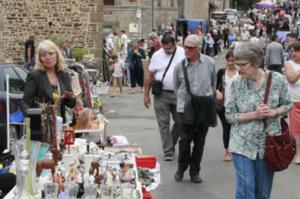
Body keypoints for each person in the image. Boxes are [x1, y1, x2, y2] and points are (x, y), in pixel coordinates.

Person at [225, 42, 292, 199]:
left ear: (255, 62)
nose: (238, 69)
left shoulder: (277, 80)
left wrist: (274, 111)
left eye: (242, 65)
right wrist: (254, 115)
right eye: (236, 64)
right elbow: (229, 115)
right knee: (246, 189)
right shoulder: (235, 83)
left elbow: (288, 104)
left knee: (262, 192)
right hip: (241, 143)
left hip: (268, 144)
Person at [173, 34, 216, 183]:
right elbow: (176, 87)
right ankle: (181, 168)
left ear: (199, 48)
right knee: (184, 141)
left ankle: (195, 171)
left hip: (204, 107)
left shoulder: (210, 63)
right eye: (185, 47)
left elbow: (213, 83)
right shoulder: (180, 66)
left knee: (199, 142)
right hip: (185, 108)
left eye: (190, 48)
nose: (187, 50)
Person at [21, 40, 76, 141]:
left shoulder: (65, 75)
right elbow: (25, 103)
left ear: (57, 55)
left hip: (61, 128)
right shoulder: (35, 76)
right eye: (43, 55)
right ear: (40, 59)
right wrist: (34, 117)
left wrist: (70, 98)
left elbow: (72, 104)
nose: (48, 57)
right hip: (41, 129)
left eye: (51, 53)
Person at [144, 33, 185, 161]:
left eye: (169, 49)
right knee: (163, 124)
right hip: (161, 94)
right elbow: (149, 75)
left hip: (179, 94)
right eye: (164, 49)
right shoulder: (157, 55)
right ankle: (168, 151)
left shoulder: (182, 53)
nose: (167, 51)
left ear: (174, 45)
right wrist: (146, 95)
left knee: (180, 121)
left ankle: (171, 143)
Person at [215, 50, 239, 161]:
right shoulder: (221, 72)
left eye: (232, 60)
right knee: (227, 128)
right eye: (228, 60)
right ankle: (227, 151)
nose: (230, 63)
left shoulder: (240, 72)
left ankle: (237, 149)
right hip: (223, 105)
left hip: (237, 106)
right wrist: (217, 92)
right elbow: (215, 86)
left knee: (237, 128)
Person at [284, 42, 300, 164]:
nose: (293, 53)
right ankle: (298, 154)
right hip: (295, 102)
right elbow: (292, 79)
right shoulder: (289, 64)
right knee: (296, 130)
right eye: (292, 51)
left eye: (296, 51)